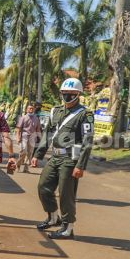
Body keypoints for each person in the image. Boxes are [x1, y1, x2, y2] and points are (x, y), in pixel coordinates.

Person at [32, 78, 94, 240]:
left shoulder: (84, 114)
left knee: (66, 193)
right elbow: (47, 134)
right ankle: (53, 217)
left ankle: (68, 228)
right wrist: (38, 155)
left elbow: (88, 141)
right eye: (64, 93)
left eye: (71, 94)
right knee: (43, 187)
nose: (67, 96)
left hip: (72, 156)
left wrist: (80, 165)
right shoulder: (55, 111)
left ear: (78, 94)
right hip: (55, 156)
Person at [16, 104, 42, 173]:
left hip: (32, 138)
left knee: (30, 154)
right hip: (24, 136)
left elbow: (38, 129)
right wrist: (18, 138)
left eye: (32, 109)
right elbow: (19, 129)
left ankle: (26, 169)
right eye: (29, 108)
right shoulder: (23, 118)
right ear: (27, 109)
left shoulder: (36, 118)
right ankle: (18, 164)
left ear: (34, 110)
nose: (31, 110)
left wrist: (40, 138)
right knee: (23, 151)